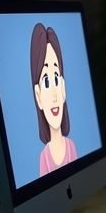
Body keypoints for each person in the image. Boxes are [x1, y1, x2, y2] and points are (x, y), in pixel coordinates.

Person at [30, 23, 78, 177]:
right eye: (46, 81)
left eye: (56, 79)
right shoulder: (44, 157)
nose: (54, 96)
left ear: (63, 88)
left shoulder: (71, 146)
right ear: (38, 96)